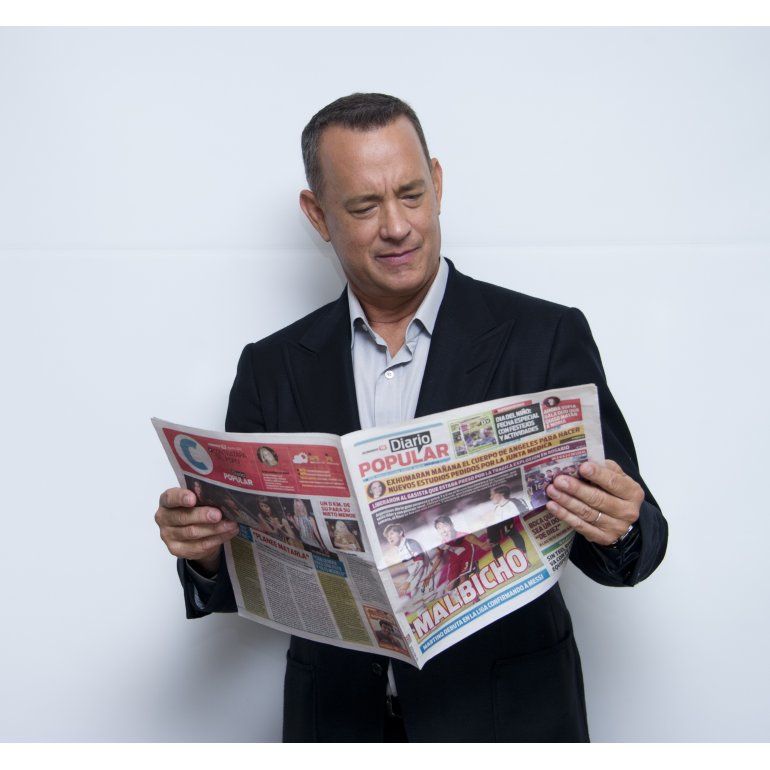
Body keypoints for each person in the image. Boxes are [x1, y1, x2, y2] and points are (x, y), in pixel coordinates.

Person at [154, 92, 668, 741]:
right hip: (336, 726)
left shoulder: (543, 337)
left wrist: (621, 523)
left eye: (411, 194)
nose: (397, 226)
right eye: (364, 207)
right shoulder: (270, 367)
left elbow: (633, 544)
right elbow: (245, 578)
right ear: (317, 215)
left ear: (438, 183)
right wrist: (203, 552)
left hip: (508, 722)